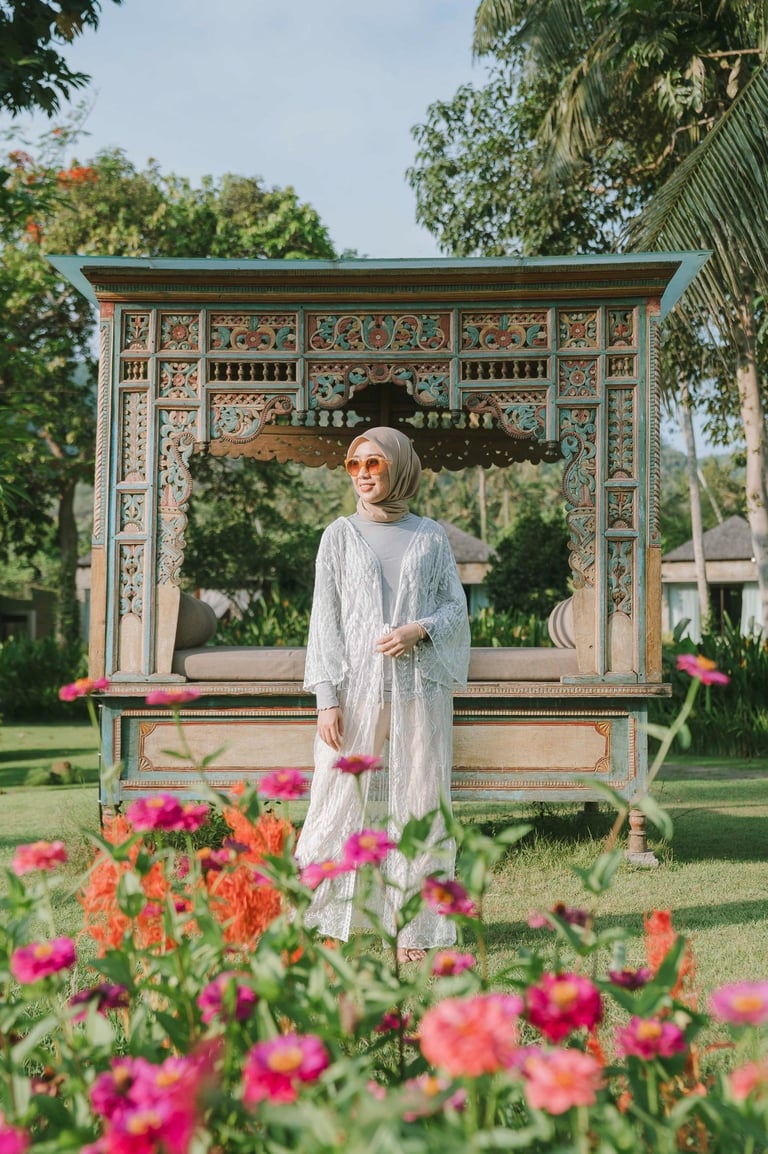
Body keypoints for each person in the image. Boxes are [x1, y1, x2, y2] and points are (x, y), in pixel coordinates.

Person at [295, 426, 471, 960]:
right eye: (354, 464)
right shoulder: (337, 535)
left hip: (420, 692)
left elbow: (454, 608)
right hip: (353, 695)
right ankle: (324, 921)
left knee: (420, 808)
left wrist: (418, 629)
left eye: (374, 464)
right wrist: (326, 697)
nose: (364, 474)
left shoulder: (431, 537)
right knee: (333, 800)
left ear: (398, 469)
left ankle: (413, 931)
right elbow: (323, 620)